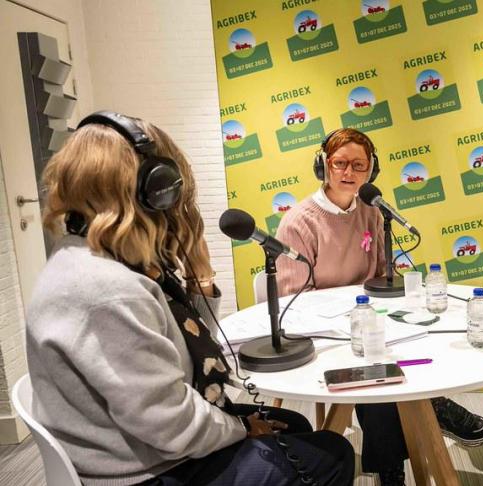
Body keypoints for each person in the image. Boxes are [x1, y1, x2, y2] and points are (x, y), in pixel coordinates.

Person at [26, 112, 354, 486]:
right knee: (332, 453)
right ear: (153, 190)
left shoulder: (98, 258)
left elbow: (193, 346)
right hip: (149, 472)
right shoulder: (107, 289)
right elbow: (171, 424)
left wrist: (199, 275)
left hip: (137, 445)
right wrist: (242, 428)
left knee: (292, 423)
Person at [275, 128, 483, 486]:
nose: (348, 172)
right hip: (322, 331)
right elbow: (295, 301)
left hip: (368, 320)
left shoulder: (372, 212)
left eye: (358, 165)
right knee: (373, 367)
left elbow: (379, 275)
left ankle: (405, 445)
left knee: (408, 342)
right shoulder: (299, 221)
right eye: (339, 163)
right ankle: (412, 440)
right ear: (323, 166)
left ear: (371, 170)